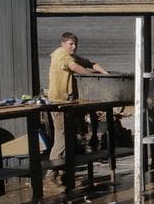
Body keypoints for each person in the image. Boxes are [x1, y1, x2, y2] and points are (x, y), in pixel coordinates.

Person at [46, 32, 108, 177]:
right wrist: (92, 76)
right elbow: (74, 67)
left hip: (69, 102)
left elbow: (91, 63)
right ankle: (51, 173)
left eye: (75, 44)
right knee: (61, 138)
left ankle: (63, 171)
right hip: (58, 103)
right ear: (63, 44)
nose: (74, 47)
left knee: (70, 137)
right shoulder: (60, 54)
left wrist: (105, 74)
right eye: (71, 44)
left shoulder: (71, 55)